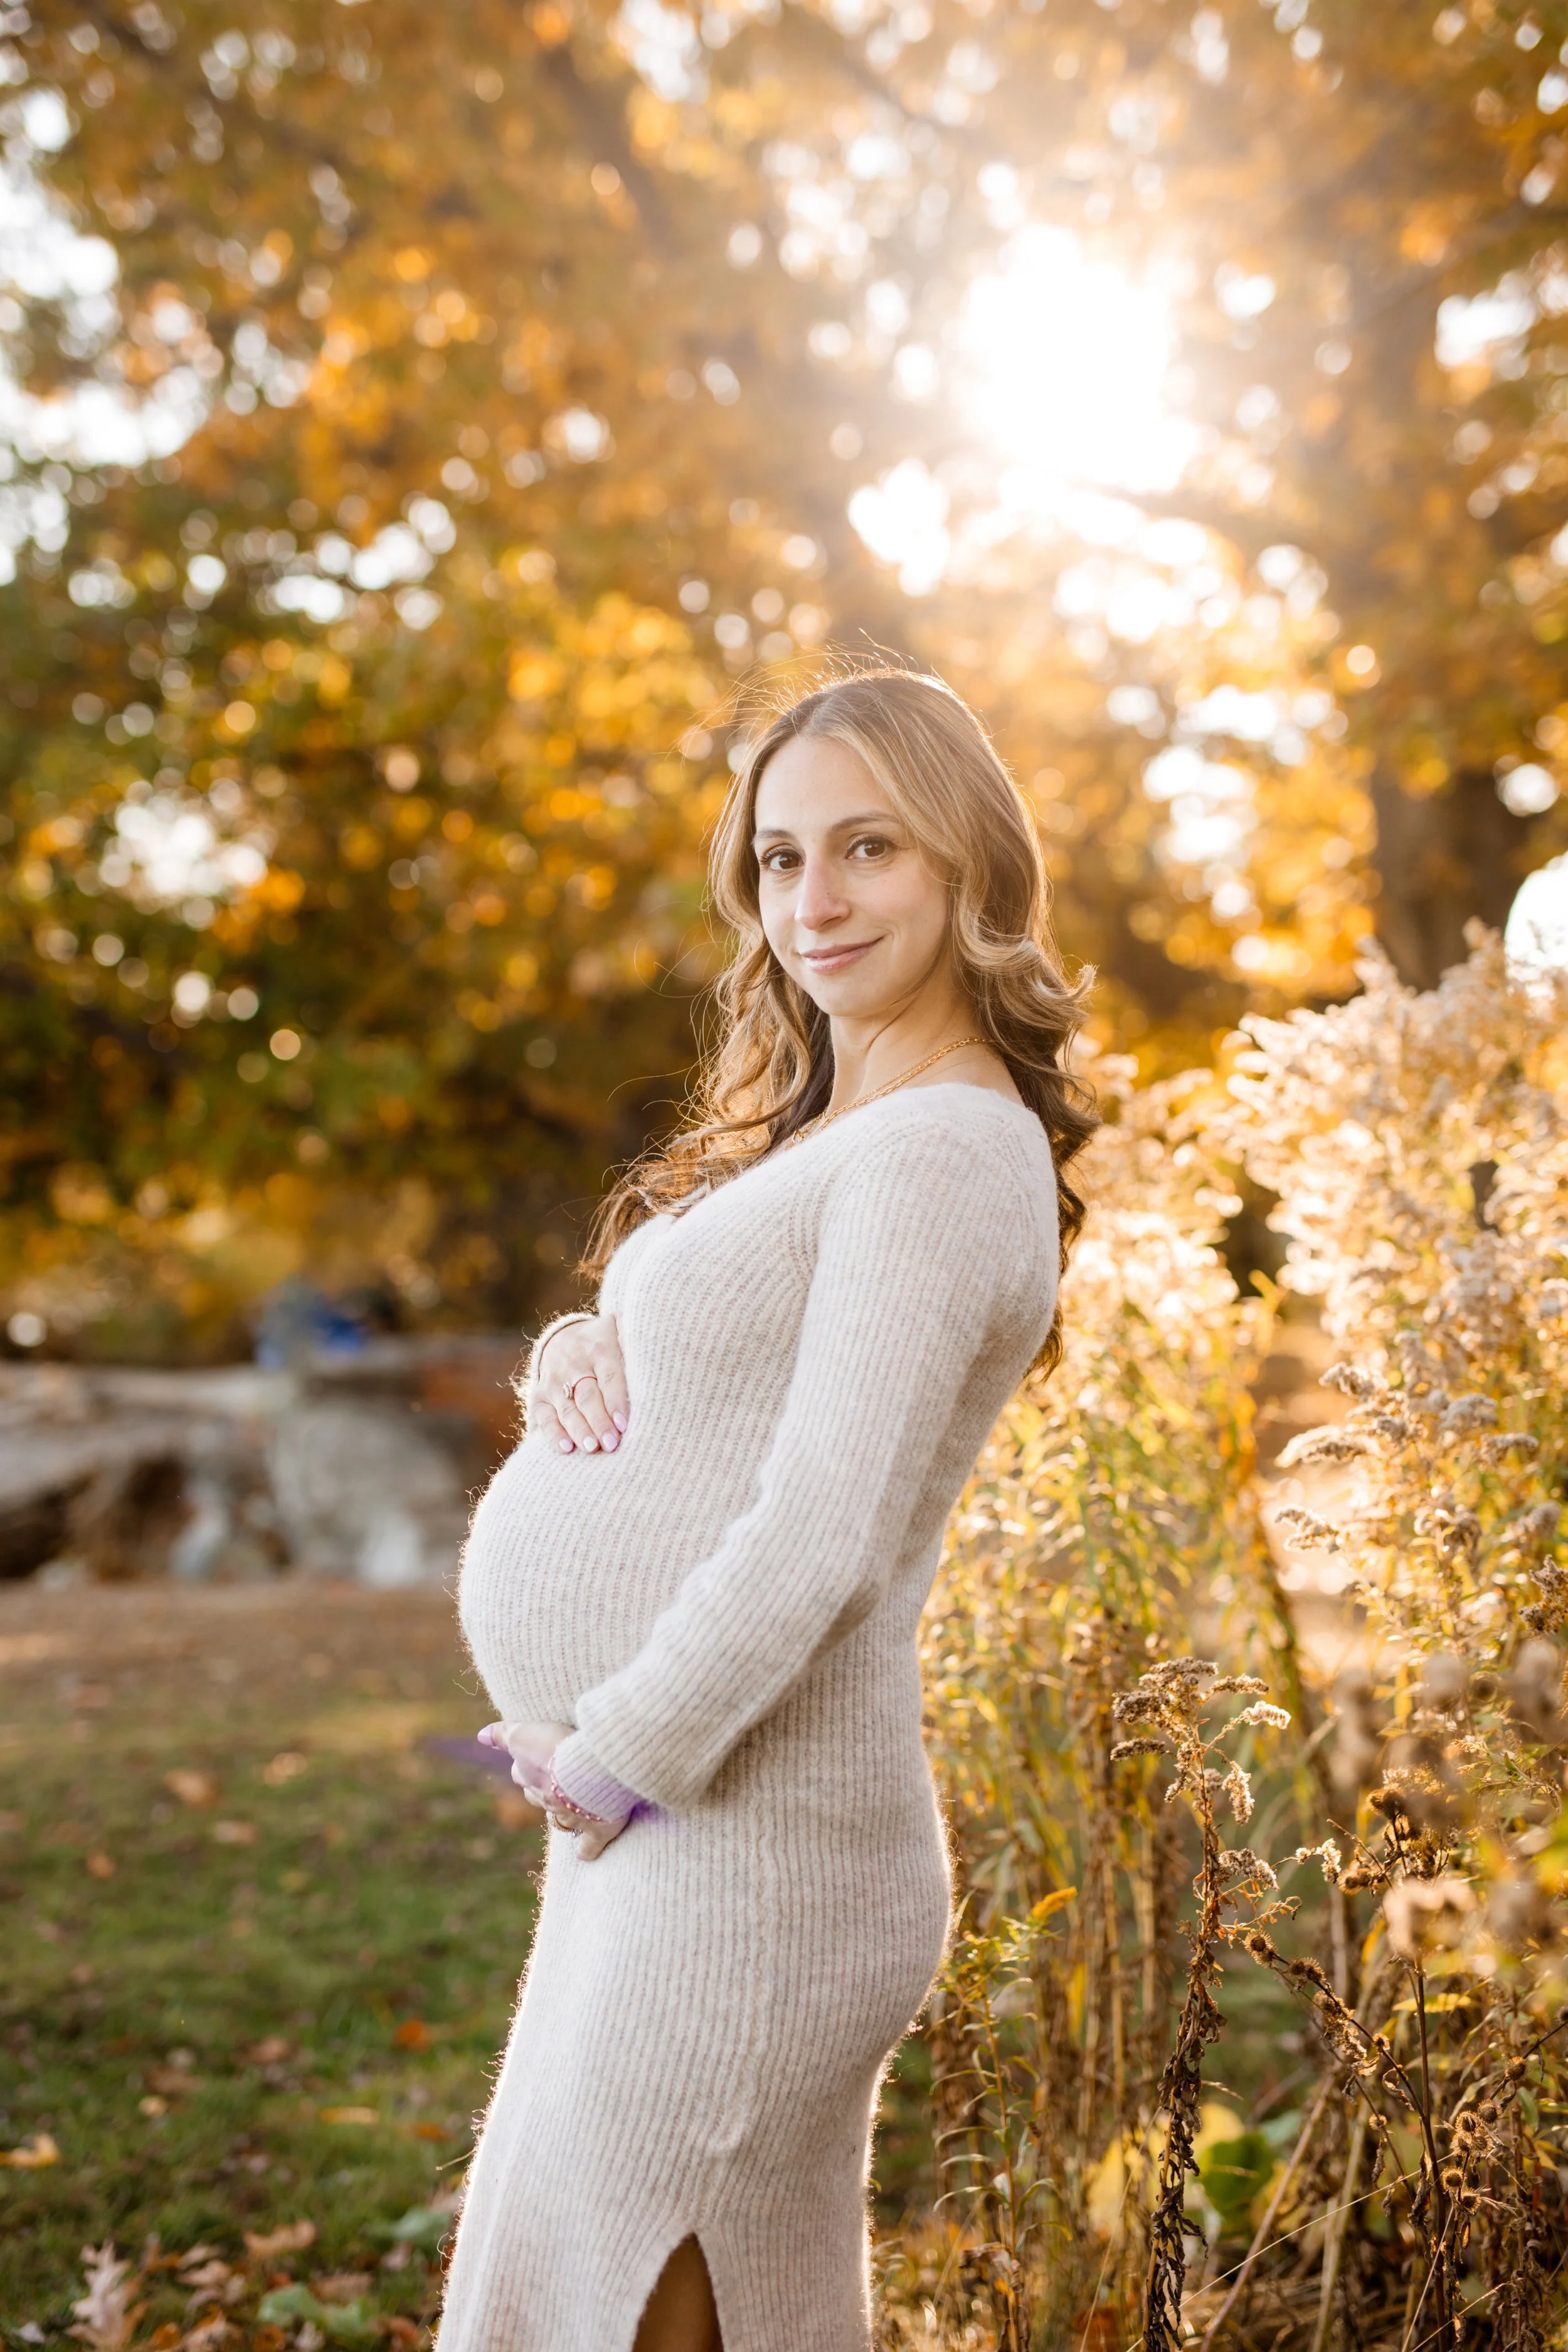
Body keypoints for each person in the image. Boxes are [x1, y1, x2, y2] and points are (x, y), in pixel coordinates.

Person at [440, 667, 1096, 2352]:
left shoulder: (944, 1148)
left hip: (749, 1845)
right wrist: (588, 1345)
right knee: (600, 2286)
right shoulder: (844, 1123)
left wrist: (614, 1751)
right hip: (677, 1830)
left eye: (867, 847)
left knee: (654, 2301)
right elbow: (735, 1377)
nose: (815, 900)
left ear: (965, 863)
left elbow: (826, 1526)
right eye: (783, 855)